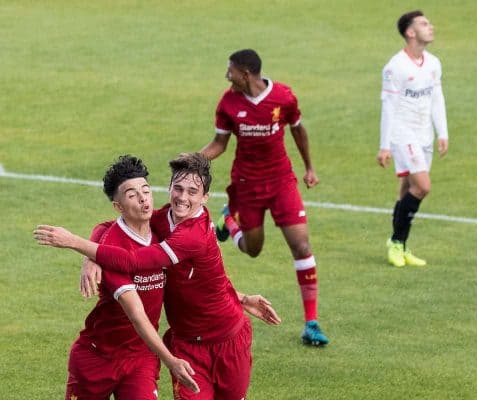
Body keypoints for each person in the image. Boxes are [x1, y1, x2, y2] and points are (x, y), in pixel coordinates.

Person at [35, 153, 281, 400]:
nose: (183, 198)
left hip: (189, 346)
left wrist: (73, 242)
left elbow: (134, 261)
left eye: (193, 192)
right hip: (137, 350)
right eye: (178, 188)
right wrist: (91, 256)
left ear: (205, 197)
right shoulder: (158, 222)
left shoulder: (185, 234)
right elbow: (112, 227)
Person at [35, 155, 199, 399]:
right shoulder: (112, 250)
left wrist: (237, 297)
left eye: (146, 190)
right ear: (119, 206)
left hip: (141, 356)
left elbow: (102, 226)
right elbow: (137, 315)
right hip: (96, 358)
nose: (144, 199)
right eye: (132, 195)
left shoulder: (161, 228)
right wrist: (171, 360)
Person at [199, 48, 329, 346]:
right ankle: (229, 220)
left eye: (230, 70)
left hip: (282, 181)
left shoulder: (283, 97)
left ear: (245, 73)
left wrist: (309, 168)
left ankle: (311, 322)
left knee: (302, 245)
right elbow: (220, 143)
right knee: (252, 249)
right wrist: (195, 158)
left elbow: (298, 131)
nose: (226, 75)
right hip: (246, 184)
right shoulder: (228, 103)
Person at [377, 10, 449, 267]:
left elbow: (436, 98)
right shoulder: (395, 67)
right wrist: (384, 145)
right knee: (423, 186)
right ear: (410, 32)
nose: (431, 27)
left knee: (408, 188)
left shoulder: (433, 63)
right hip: (402, 133)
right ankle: (396, 242)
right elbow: (389, 106)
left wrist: (443, 132)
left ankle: (400, 246)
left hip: (424, 134)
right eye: (424, 24)